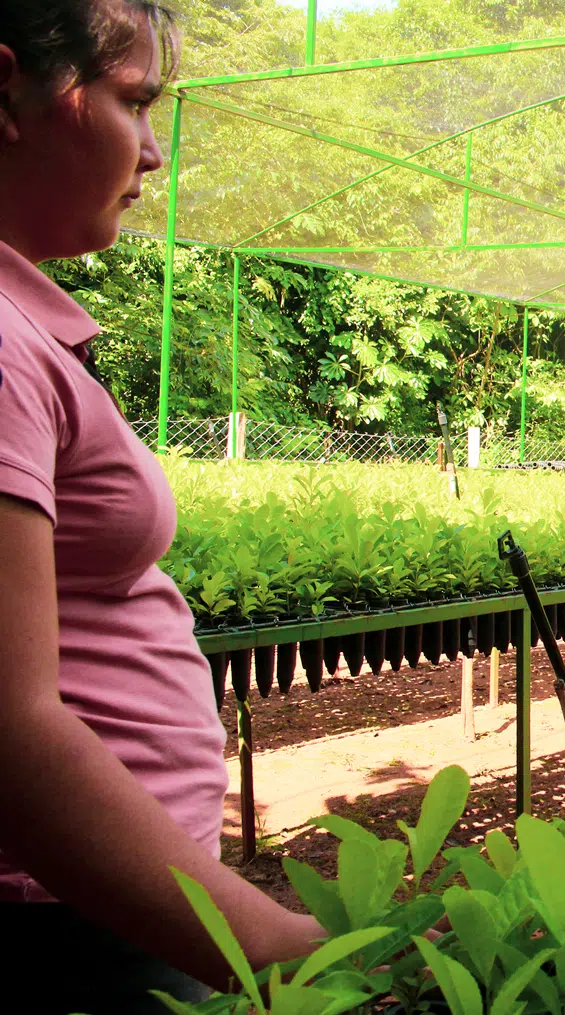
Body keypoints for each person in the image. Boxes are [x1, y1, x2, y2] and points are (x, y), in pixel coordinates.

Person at [0, 3, 323, 1011]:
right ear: (8, 93)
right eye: (135, 102)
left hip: (106, 904)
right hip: (68, 927)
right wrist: (277, 942)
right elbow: (12, 728)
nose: (151, 152)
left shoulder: (26, 328)